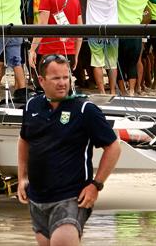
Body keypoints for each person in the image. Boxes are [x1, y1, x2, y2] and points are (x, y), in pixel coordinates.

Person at [18, 55, 121, 246]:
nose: (62, 83)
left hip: (71, 196)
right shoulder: (32, 105)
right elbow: (24, 140)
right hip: (38, 197)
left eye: (66, 77)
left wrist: (96, 185)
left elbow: (113, 147)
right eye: (56, 78)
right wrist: (22, 177)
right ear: (41, 80)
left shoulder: (85, 110)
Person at [72, 0, 124, 94]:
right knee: (112, 63)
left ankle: (102, 91)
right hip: (112, 28)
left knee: (97, 62)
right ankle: (112, 90)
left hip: (95, 28)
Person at [28, 0, 83, 79]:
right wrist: (76, 55)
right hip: (69, 52)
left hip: (50, 52)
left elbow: (42, 25)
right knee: (64, 88)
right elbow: (80, 32)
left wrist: (32, 50)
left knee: (49, 89)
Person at [116, 0, 154, 96]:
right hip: (136, 30)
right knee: (133, 62)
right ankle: (132, 90)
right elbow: (155, 1)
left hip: (119, 30)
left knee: (119, 62)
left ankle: (123, 91)